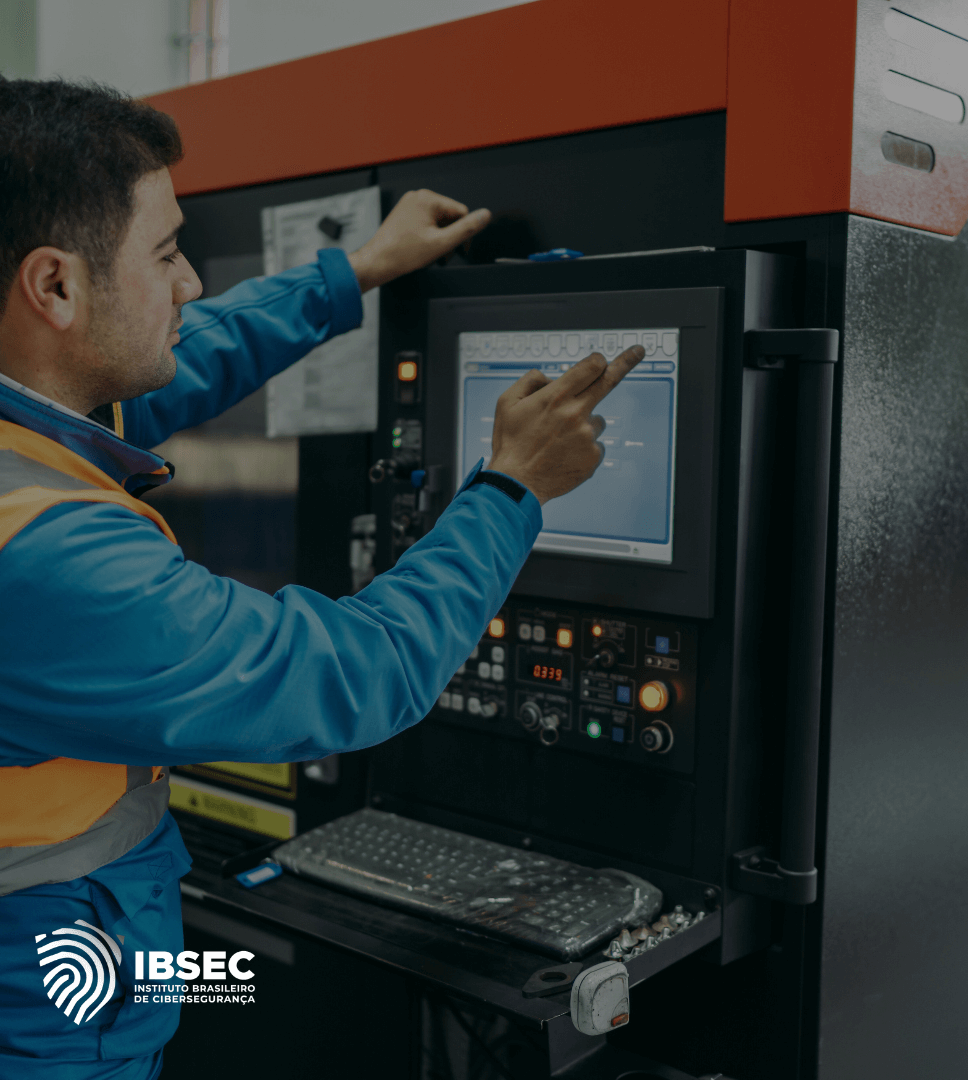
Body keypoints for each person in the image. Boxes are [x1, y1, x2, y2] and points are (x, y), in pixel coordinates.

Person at [0, 77, 642, 1079]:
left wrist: (357, 273)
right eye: (166, 255)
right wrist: (512, 490)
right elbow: (354, 672)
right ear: (55, 287)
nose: (190, 286)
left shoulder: (24, 418)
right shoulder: (43, 555)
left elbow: (180, 357)